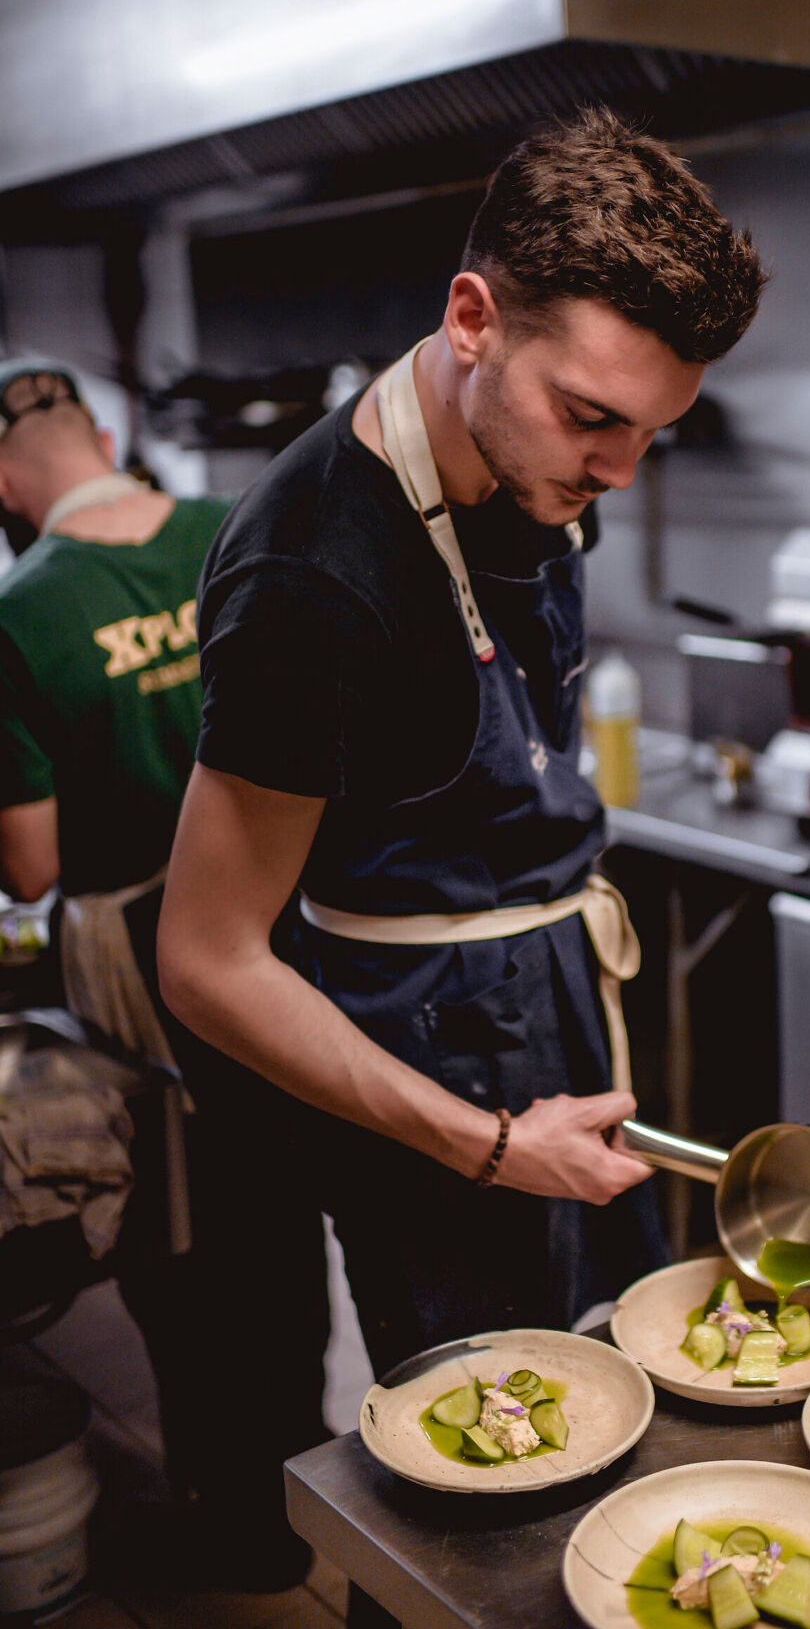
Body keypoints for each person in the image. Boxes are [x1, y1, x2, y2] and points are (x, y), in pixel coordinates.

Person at [158, 108, 767, 1379]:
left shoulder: (532, 457)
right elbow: (206, 962)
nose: (620, 471)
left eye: (650, 431)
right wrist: (486, 1144)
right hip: (421, 1066)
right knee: (481, 1455)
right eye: (592, 417)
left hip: (554, 1005)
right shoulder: (313, 571)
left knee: (610, 1382)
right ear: (473, 319)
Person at [0, 361, 331, 1590]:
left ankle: (227, 1515)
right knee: (284, 1218)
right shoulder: (230, 526)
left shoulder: (22, 607)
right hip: (282, 916)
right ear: (99, 436)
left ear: (5, 480)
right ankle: (306, 1496)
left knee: (181, 1240)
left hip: (147, 959)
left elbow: (29, 866)